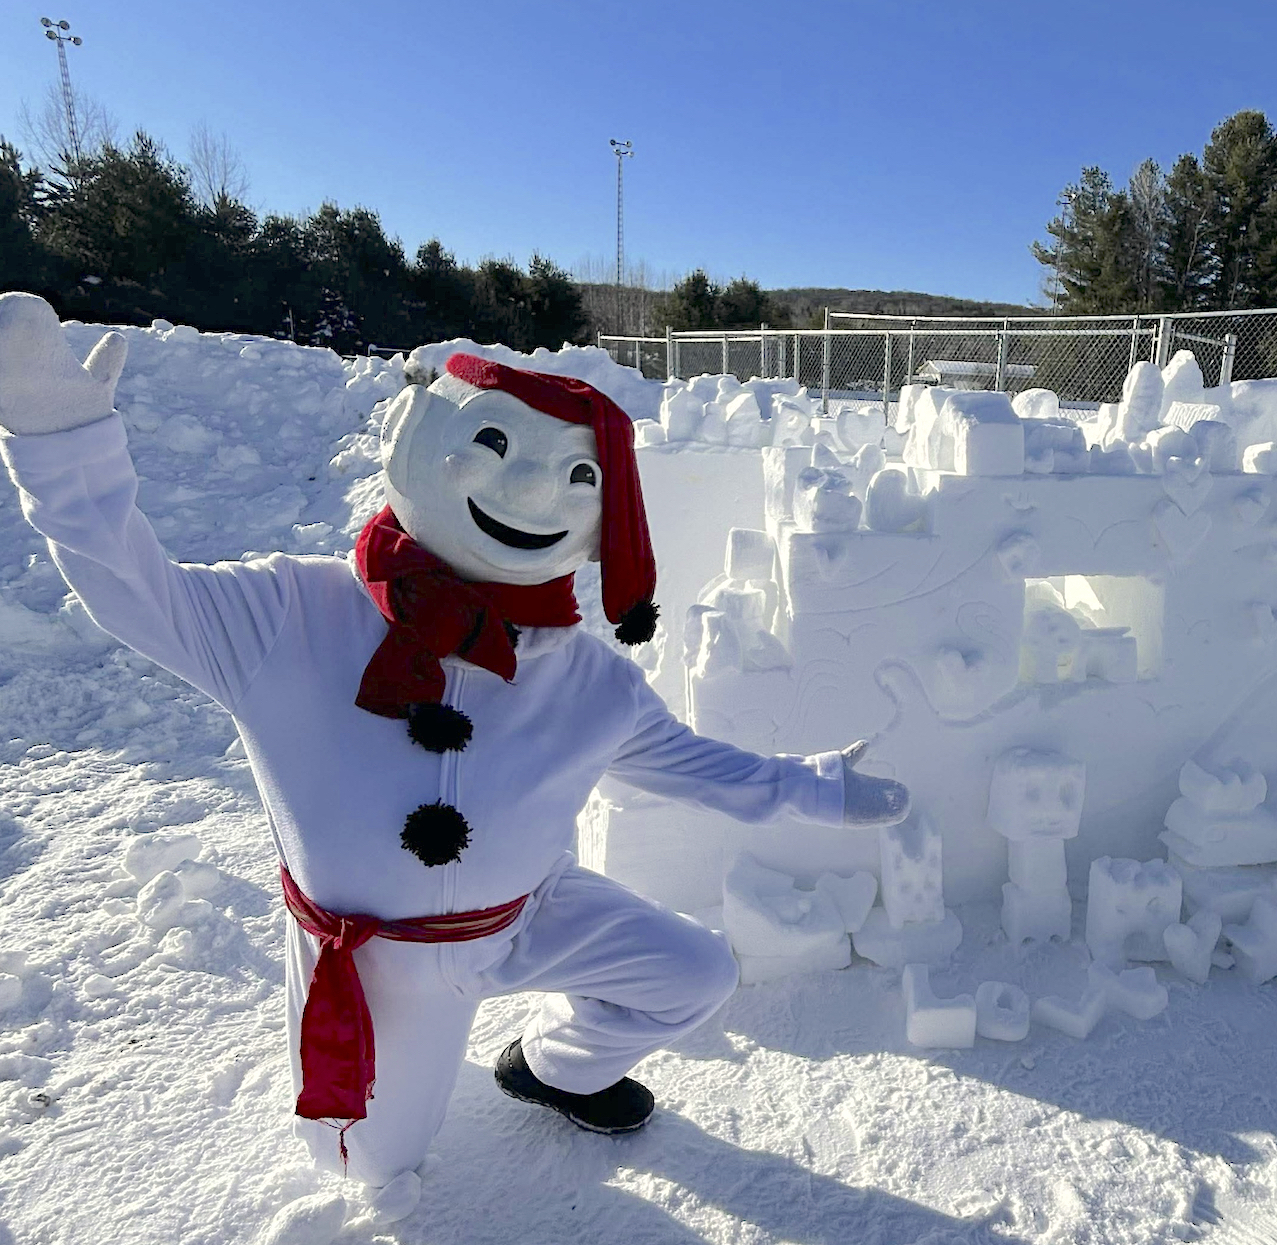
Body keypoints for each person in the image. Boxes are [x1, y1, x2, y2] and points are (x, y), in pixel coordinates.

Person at [0, 292, 909, 1215]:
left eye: (578, 476)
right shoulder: (291, 615)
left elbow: (699, 766)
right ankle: (384, 1115)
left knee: (696, 973)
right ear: (418, 440)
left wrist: (820, 788)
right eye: (496, 446)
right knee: (367, 1165)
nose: (534, 494)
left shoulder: (587, 680)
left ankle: (554, 1068)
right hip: (381, 963)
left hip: (529, 915)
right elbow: (137, 592)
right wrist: (64, 445)